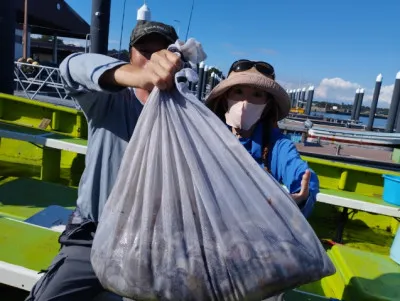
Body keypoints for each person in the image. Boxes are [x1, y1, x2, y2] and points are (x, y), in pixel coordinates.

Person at [26, 20, 181, 301]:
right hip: (93, 236)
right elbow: (71, 67)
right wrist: (136, 76)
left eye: (162, 52)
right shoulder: (108, 101)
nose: (153, 59)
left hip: (155, 246)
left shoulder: (185, 114)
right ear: (130, 54)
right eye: (144, 51)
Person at [205, 59, 319, 218]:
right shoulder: (205, 135)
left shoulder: (278, 145)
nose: (245, 103)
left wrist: (301, 197)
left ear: (266, 106)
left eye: (257, 95)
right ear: (225, 99)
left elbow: (301, 173)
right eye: (238, 92)